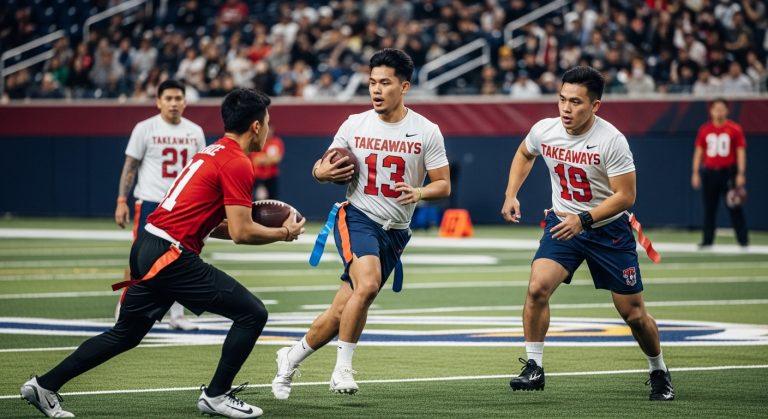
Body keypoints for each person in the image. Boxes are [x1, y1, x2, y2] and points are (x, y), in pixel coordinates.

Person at [21, 88, 306, 418]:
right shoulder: (237, 162)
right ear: (256, 126)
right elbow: (242, 232)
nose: (269, 127)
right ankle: (216, 395)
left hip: (149, 244)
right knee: (252, 314)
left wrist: (268, 231)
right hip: (171, 255)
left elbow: (214, 226)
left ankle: (44, 385)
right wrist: (284, 233)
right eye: (268, 121)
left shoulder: (210, 152)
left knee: (125, 334)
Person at [271, 48, 450, 398]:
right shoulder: (354, 123)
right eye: (372, 83)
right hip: (357, 216)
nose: (376, 90)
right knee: (366, 286)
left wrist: (418, 191)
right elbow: (323, 166)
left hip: (396, 231)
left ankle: (290, 358)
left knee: (342, 309)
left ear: (405, 86)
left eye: (385, 83)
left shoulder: (427, 131)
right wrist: (320, 172)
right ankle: (342, 369)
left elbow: (443, 185)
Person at [500, 66, 675, 401]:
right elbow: (525, 152)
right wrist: (511, 193)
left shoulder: (611, 140)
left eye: (576, 102)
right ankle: (534, 366)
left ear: (595, 106)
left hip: (608, 231)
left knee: (634, 314)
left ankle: (658, 369)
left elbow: (626, 196)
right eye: (562, 99)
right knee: (537, 288)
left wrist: (584, 219)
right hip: (563, 224)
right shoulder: (546, 130)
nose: (566, 108)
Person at [114, 79, 205, 331]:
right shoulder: (145, 128)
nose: (174, 103)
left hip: (184, 205)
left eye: (178, 98)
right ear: (158, 101)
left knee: (182, 259)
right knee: (140, 259)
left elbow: (201, 171)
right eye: (169, 98)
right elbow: (130, 166)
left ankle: (177, 314)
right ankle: (125, 307)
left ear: (185, 101)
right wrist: (122, 199)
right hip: (152, 201)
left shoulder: (194, 131)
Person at [691, 98, 748, 247]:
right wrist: (695, 172)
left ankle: (743, 240)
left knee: (734, 205)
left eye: (722, 109)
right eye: (716, 109)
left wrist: (741, 173)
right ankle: (707, 240)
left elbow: (740, 152)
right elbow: (699, 152)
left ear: (727, 111)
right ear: (711, 111)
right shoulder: (705, 129)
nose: (719, 112)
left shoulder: (734, 129)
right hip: (710, 172)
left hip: (728, 172)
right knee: (709, 208)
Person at [249, 126, 284, 200]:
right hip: (258, 178)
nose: (268, 132)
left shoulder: (276, 142)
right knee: (258, 200)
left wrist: (264, 159)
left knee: (273, 201)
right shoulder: (256, 141)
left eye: (270, 130)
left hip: (271, 177)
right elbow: (257, 160)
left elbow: (276, 159)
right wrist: (269, 159)